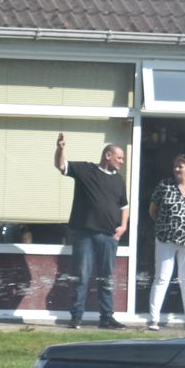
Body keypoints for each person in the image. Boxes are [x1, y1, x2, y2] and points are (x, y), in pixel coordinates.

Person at [54, 133, 127, 329]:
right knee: (81, 277)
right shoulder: (86, 170)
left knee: (106, 278)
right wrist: (60, 149)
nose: (121, 162)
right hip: (84, 234)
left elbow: (124, 206)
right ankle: (76, 317)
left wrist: (123, 226)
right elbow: (61, 166)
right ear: (108, 155)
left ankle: (107, 318)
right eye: (119, 158)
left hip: (109, 236)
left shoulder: (119, 180)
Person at [146, 154, 185, 331]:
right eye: (175, 166)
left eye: (181, 166)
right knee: (162, 278)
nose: (177, 169)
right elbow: (153, 210)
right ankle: (154, 319)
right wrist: (166, 226)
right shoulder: (164, 186)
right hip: (166, 238)